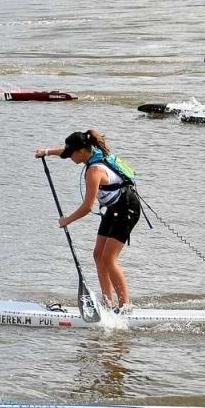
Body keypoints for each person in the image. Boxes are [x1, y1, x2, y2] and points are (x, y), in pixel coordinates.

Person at [34, 130, 142, 313]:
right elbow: (65, 151)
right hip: (114, 209)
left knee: (109, 258)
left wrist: (66, 220)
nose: (69, 158)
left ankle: (125, 306)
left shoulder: (94, 171)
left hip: (127, 209)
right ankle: (108, 303)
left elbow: (87, 207)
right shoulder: (93, 152)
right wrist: (46, 152)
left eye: (72, 155)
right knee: (98, 255)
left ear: (82, 152)